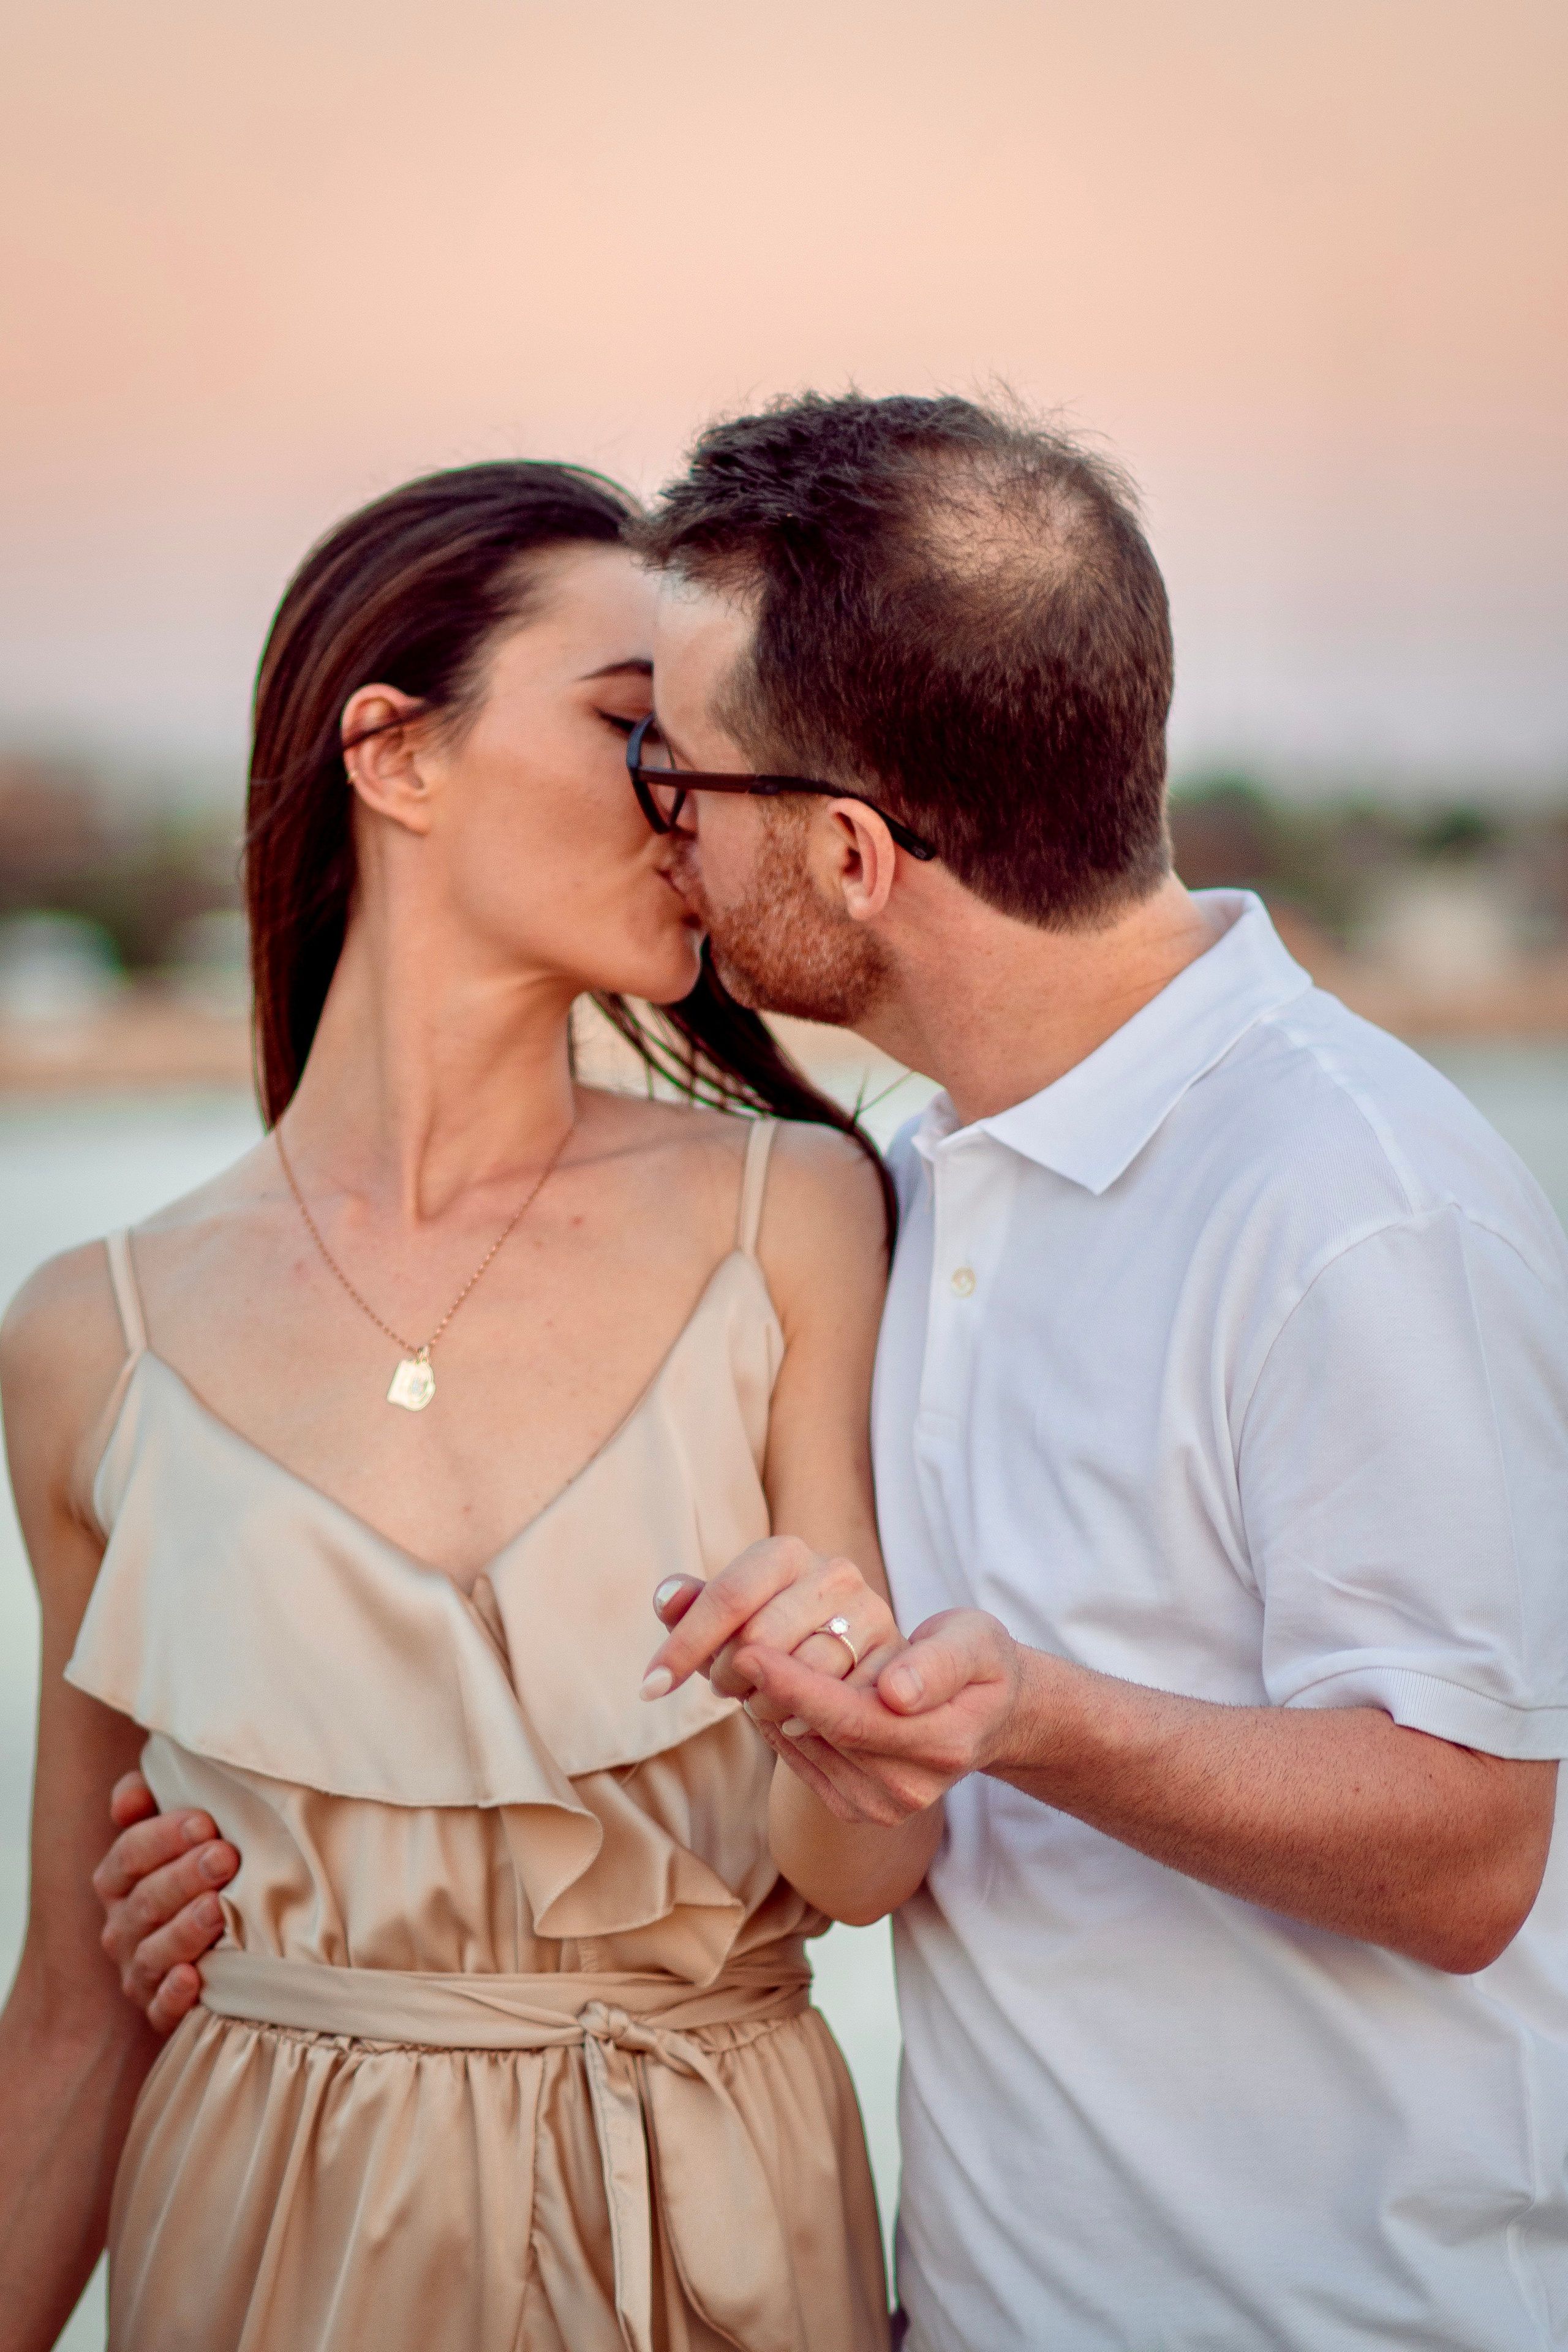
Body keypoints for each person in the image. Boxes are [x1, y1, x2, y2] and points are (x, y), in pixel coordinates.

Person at [93, 393, 1568, 2347]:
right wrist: (278, 1884)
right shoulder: (915, 1184)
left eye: (678, 767)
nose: (661, 819)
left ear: (855, 854)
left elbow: (1471, 1851)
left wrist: (1030, 1716)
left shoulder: (1350, 1205)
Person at [0, 458, 929, 2352]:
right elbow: (77, 2014)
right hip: (260, 2247)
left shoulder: (797, 1216)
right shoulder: (92, 1336)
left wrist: (861, 1749)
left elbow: (863, 1869)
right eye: (630, 733)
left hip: (714, 2238)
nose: (696, 804)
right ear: (394, 753)